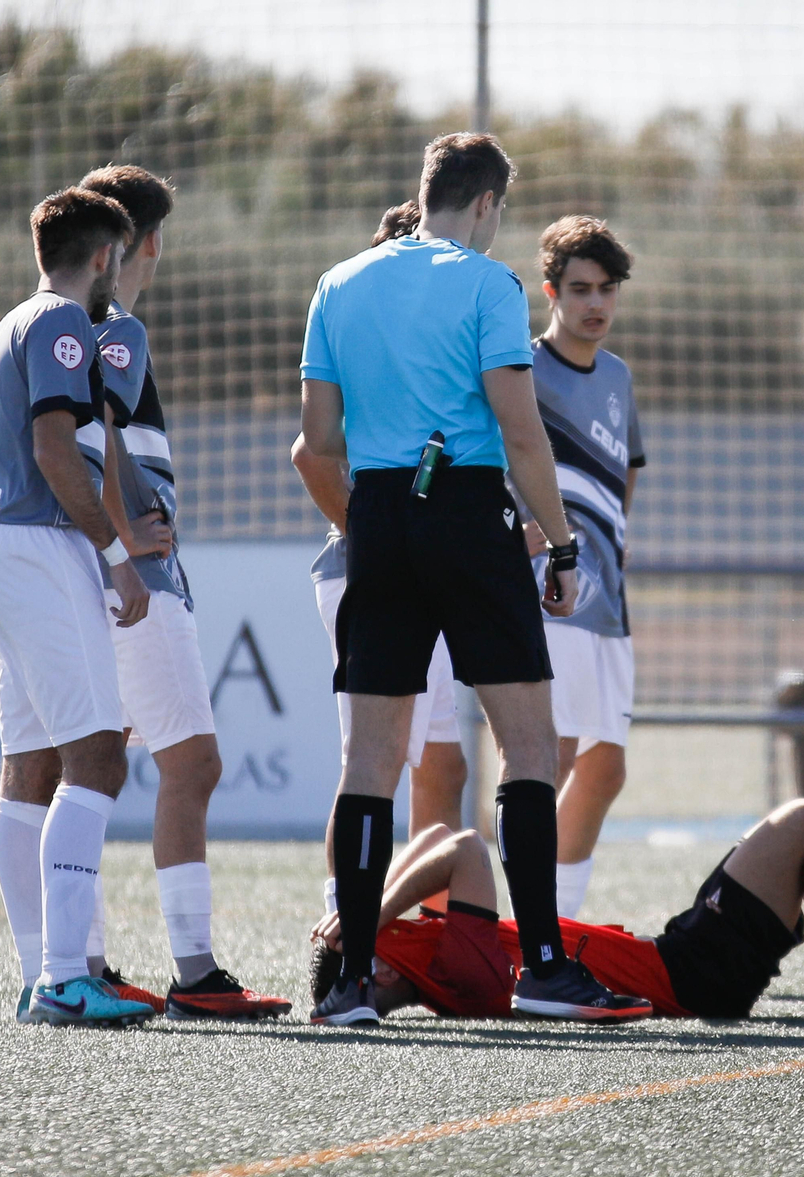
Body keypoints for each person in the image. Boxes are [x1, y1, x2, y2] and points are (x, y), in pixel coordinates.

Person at [299, 131, 651, 1026]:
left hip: (376, 513)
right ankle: (542, 969)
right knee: (530, 747)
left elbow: (319, 439)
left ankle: (348, 985)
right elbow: (520, 430)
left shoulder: (340, 281)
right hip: (468, 510)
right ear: (489, 203)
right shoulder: (488, 283)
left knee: (369, 758)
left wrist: (378, 524)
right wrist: (565, 547)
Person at [77, 163, 290, 1019]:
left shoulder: (55, 324)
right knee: (190, 763)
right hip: (133, 574)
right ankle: (194, 971)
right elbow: (96, 432)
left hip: (84, 571)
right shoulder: (117, 328)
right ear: (144, 244)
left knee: (82, 767)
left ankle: (78, 959)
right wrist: (127, 533)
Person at [0, 187, 157, 1028]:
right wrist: (118, 554)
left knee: (32, 770)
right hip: (42, 549)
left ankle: (44, 970)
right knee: (100, 761)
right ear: (104, 256)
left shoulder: (12, 323)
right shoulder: (61, 325)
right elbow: (54, 449)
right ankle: (61, 977)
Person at [310, 804, 804, 1022]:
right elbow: (462, 847)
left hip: (680, 960)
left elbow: (431, 837)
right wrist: (365, 919)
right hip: (687, 974)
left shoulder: (434, 952)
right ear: (379, 967)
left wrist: (360, 907)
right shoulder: (452, 969)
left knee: (796, 845)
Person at [292, 200, 469, 904]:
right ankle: (347, 927)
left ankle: (430, 925)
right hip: (374, 573)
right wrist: (374, 537)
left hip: (431, 577)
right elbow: (309, 453)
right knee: (373, 761)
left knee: (445, 765)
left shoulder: (434, 357)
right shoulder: (365, 347)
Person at [517, 215, 645, 915]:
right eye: (580, 288)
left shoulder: (620, 377)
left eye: (607, 289)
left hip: (610, 602)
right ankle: (532, 933)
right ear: (551, 291)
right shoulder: (523, 369)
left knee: (607, 764)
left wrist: (613, 541)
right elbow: (503, 456)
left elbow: (626, 470)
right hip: (549, 593)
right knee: (548, 756)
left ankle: (559, 922)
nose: (595, 303)